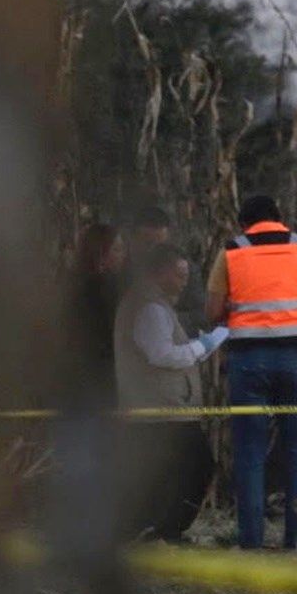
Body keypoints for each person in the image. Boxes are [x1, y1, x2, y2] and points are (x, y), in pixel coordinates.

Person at [200, 195, 297, 551]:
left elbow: (212, 312)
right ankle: (296, 540)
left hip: (248, 361)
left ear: (243, 224)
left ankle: (251, 543)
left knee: (249, 452)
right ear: (280, 218)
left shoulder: (231, 252)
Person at [113, 241, 226, 540]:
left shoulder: (151, 304)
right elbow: (161, 354)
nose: (184, 281)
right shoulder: (150, 308)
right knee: (197, 467)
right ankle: (166, 529)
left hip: (160, 406)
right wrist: (201, 347)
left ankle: (154, 529)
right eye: (179, 274)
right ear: (160, 272)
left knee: (167, 474)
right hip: (163, 408)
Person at [72, 221, 124, 405]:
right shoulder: (103, 288)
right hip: (100, 378)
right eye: (117, 249)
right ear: (100, 254)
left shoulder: (75, 284)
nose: (123, 255)